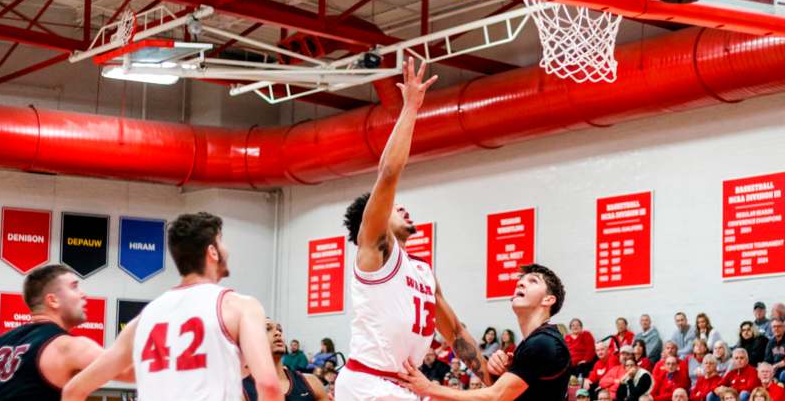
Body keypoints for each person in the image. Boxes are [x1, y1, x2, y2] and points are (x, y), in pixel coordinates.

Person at [336, 59, 489, 401]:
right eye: (392, 207)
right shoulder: (375, 253)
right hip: (368, 384)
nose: (401, 206)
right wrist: (410, 108)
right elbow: (388, 174)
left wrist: (494, 387)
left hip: (406, 387)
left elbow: (456, 332)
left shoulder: (422, 271)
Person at [61, 212, 282, 401]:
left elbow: (73, 390)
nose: (227, 249)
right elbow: (269, 386)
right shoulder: (239, 306)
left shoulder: (142, 320)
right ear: (212, 252)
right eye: (221, 241)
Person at [399, 264, 571, 401]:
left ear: (549, 299)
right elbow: (456, 334)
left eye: (533, 281)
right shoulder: (533, 344)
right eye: (521, 280)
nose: (520, 283)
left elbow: (495, 396)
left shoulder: (543, 343)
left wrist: (430, 388)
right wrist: (431, 293)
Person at [0, 265, 134, 400]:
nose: (83, 295)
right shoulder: (67, 347)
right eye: (74, 287)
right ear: (53, 300)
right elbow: (132, 371)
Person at [243, 319, 327, 401]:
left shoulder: (311, 383)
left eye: (279, 330)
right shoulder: (242, 391)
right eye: (267, 329)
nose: (278, 333)